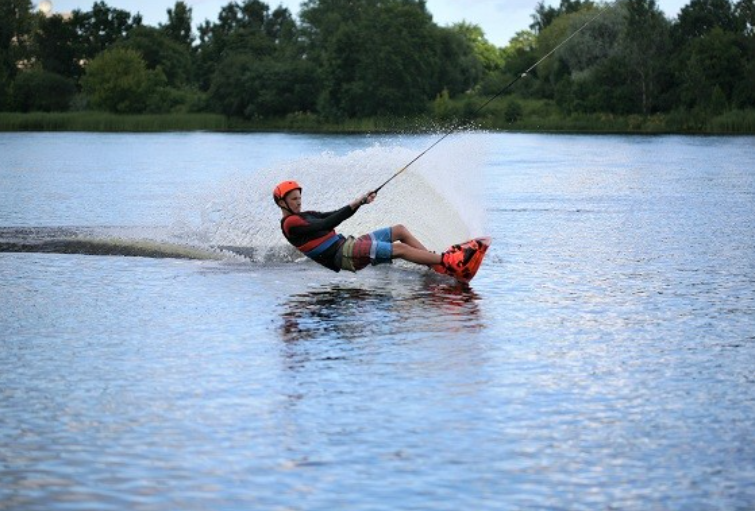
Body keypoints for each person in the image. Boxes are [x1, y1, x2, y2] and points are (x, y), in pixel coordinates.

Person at [273, 180, 466, 274]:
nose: (299, 203)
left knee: (399, 230)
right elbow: (327, 223)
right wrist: (356, 203)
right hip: (343, 256)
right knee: (400, 249)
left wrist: (360, 202)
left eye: (299, 198)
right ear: (282, 203)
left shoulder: (305, 215)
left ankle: (434, 265)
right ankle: (447, 261)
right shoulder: (291, 224)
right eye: (294, 199)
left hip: (348, 246)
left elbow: (332, 214)